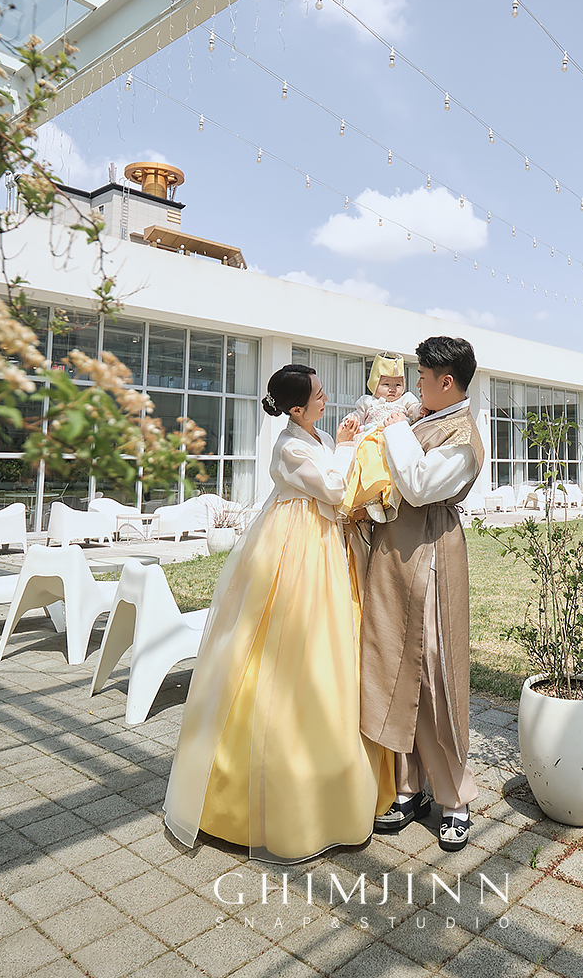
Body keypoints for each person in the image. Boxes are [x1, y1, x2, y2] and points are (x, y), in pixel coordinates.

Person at [164, 364, 394, 862]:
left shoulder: (316, 436)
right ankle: (272, 796)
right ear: (295, 408)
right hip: (298, 552)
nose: (326, 398)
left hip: (326, 544)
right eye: (318, 394)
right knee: (289, 652)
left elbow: (337, 478)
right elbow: (334, 489)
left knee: (329, 654)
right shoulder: (288, 446)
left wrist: (347, 442)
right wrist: (349, 447)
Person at [359, 336, 484, 852]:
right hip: (396, 555)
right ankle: (409, 788)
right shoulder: (426, 419)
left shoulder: (462, 436)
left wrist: (391, 426)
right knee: (395, 665)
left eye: (423, 377)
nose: (414, 385)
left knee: (434, 672)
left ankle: (455, 799)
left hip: (430, 556)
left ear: (446, 382)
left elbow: (418, 484)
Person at [337, 352, 423, 523]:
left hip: (395, 440)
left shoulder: (406, 399)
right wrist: (350, 420)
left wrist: (420, 410)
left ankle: (387, 498)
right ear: (374, 384)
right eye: (386, 384)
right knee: (369, 461)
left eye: (398, 384)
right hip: (372, 440)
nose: (392, 389)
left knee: (392, 471)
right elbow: (357, 415)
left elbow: (414, 409)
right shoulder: (367, 401)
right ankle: (373, 499)